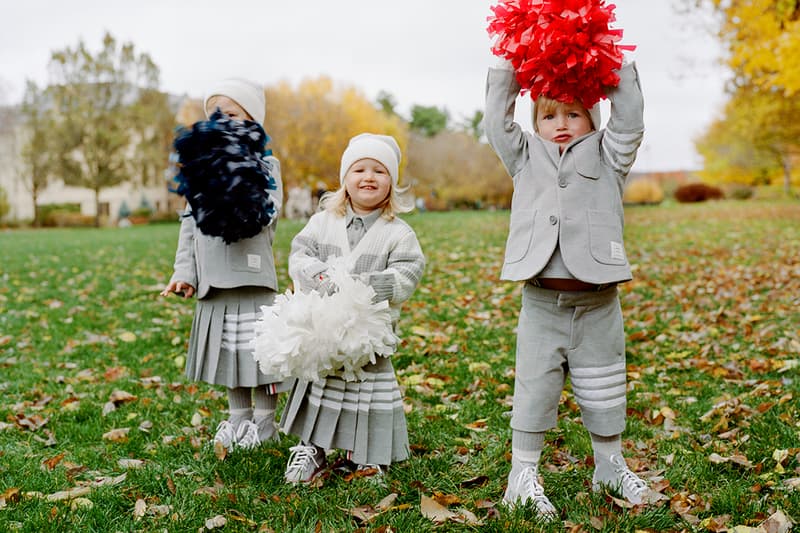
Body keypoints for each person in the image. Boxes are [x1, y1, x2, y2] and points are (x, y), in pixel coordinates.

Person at [484, 50, 648, 519]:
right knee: (534, 388)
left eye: (573, 113)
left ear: (591, 117)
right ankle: (523, 474)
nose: (561, 123)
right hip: (540, 304)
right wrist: (509, 68)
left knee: (604, 386)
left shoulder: (609, 153)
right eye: (549, 114)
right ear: (535, 121)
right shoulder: (524, 155)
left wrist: (610, 63)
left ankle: (610, 464)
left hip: (599, 303)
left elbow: (630, 119)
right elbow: (497, 123)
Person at [279, 133, 425, 484]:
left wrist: (368, 285)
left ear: (392, 182)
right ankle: (311, 447)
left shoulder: (398, 233)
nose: (369, 177)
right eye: (359, 169)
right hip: (323, 331)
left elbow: (408, 272)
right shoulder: (323, 222)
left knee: (367, 395)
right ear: (345, 179)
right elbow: (299, 257)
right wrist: (321, 276)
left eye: (379, 170)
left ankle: (369, 455)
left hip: (368, 336)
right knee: (319, 387)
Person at [161, 78, 289, 450]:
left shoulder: (266, 165)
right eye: (214, 113)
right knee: (231, 355)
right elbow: (189, 223)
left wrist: (233, 193)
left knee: (260, 354)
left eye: (230, 112)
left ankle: (265, 423)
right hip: (212, 279)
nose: (221, 119)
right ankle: (238, 420)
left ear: (253, 120)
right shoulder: (200, 168)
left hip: (250, 275)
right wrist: (185, 272)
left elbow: (269, 213)